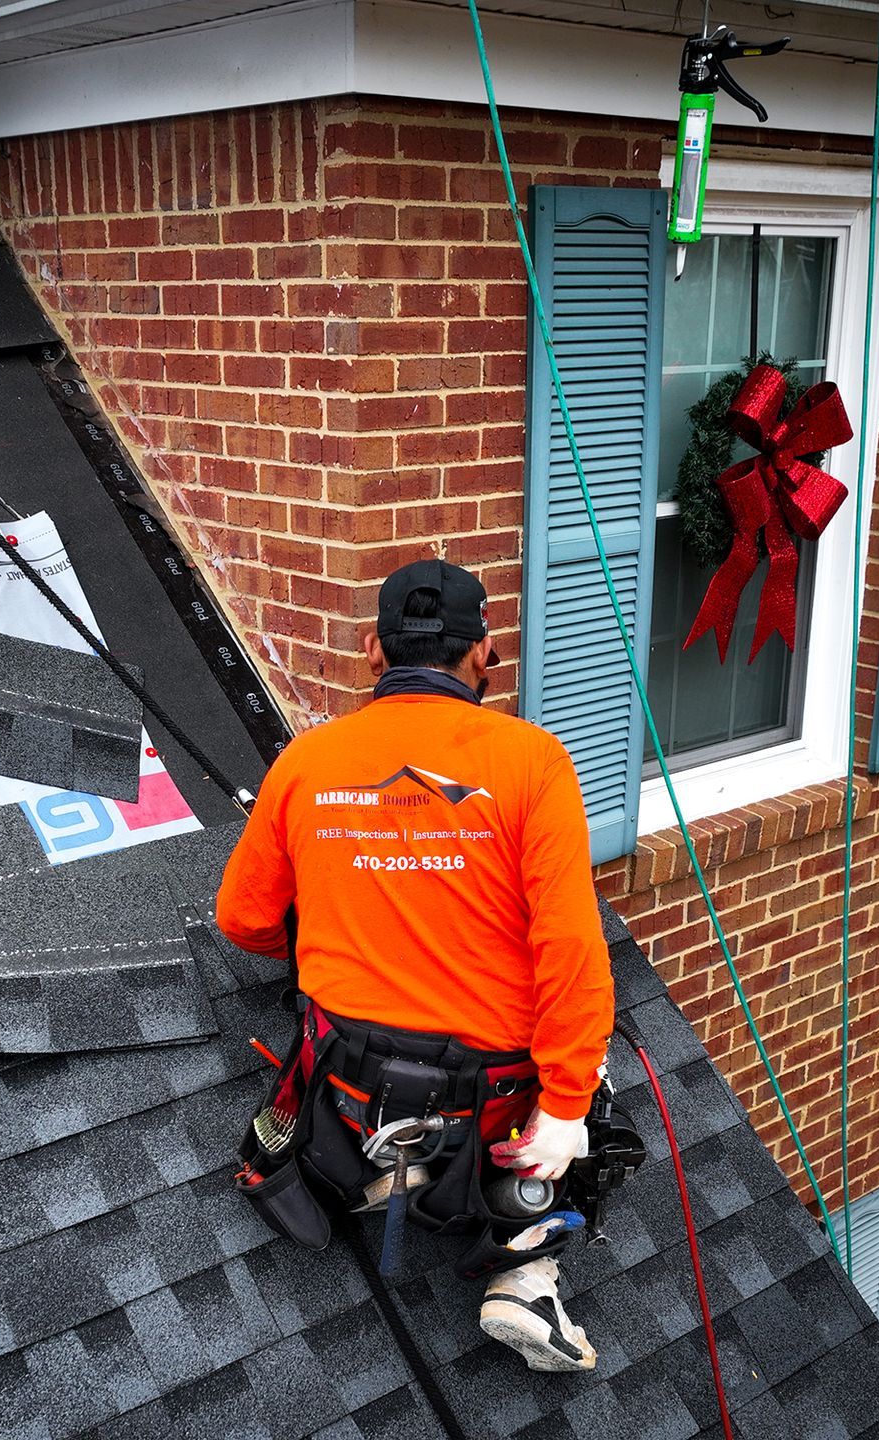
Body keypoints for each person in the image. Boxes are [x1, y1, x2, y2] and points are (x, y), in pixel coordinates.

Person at [215, 557, 615, 1372]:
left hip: (349, 1087)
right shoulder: (532, 761)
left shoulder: (307, 761)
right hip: (492, 1104)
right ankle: (525, 1269)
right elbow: (571, 949)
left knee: (346, 1056)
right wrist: (566, 1106)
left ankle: (384, 1168)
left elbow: (243, 920)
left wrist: (340, 914)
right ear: (485, 654)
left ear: (372, 651)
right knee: (597, 1075)